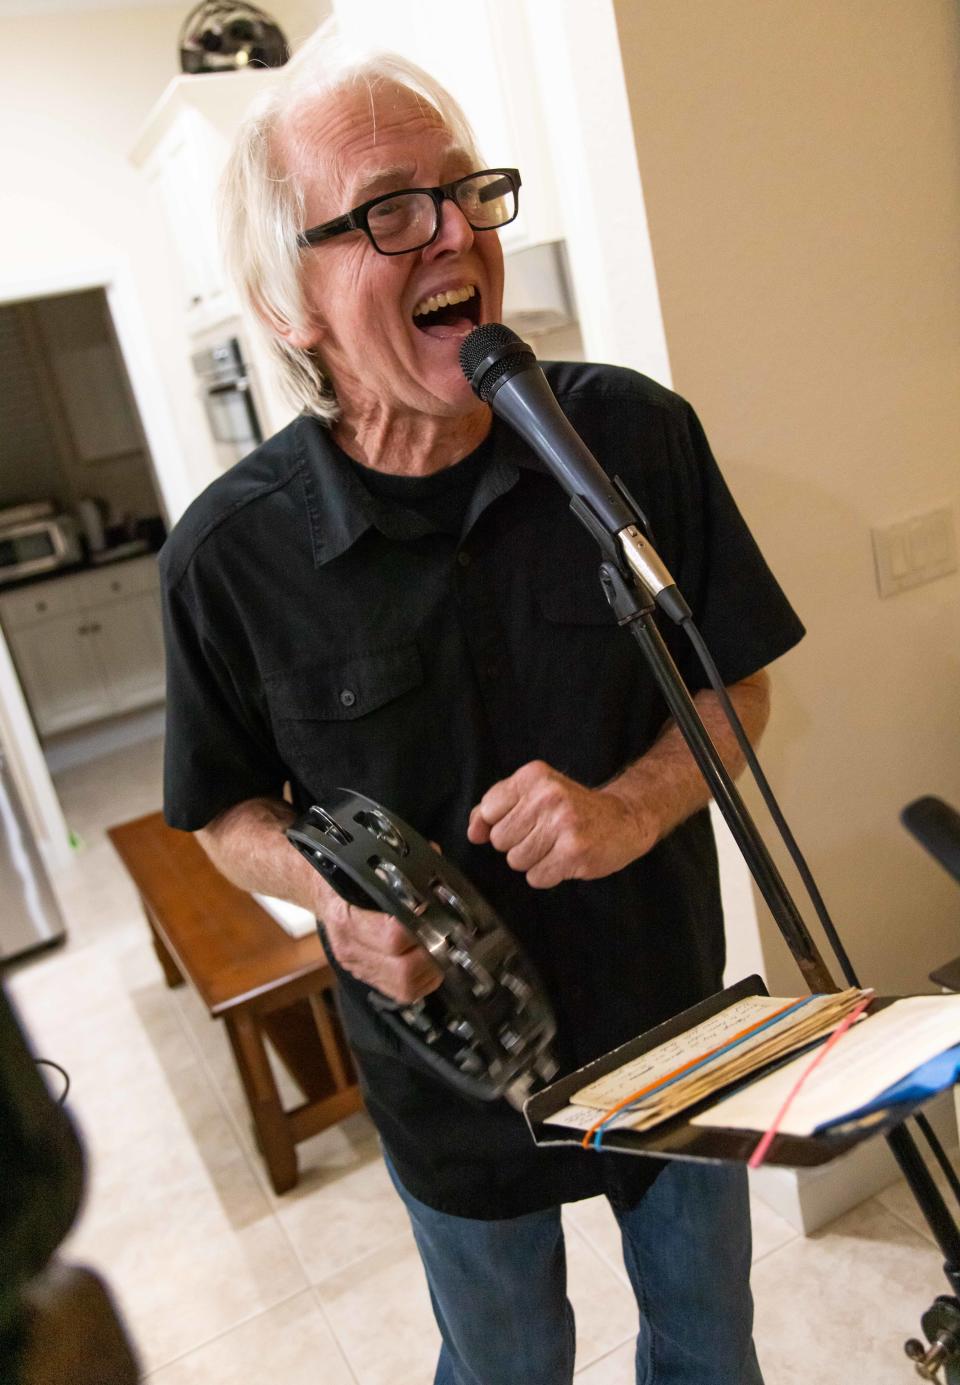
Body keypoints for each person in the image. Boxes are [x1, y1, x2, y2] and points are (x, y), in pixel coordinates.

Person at [160, 31, 804, 1385]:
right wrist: (335, 906)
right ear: (292, 305)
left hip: (668, 1019)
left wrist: (631, 807)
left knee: (708, 1345)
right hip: (446, 1083)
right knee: (505, 1362)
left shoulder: (631, 438)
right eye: (392, 209)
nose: (455, 231)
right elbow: (222, 811)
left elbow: (733, 681)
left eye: (466, 191)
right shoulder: (229, 557)